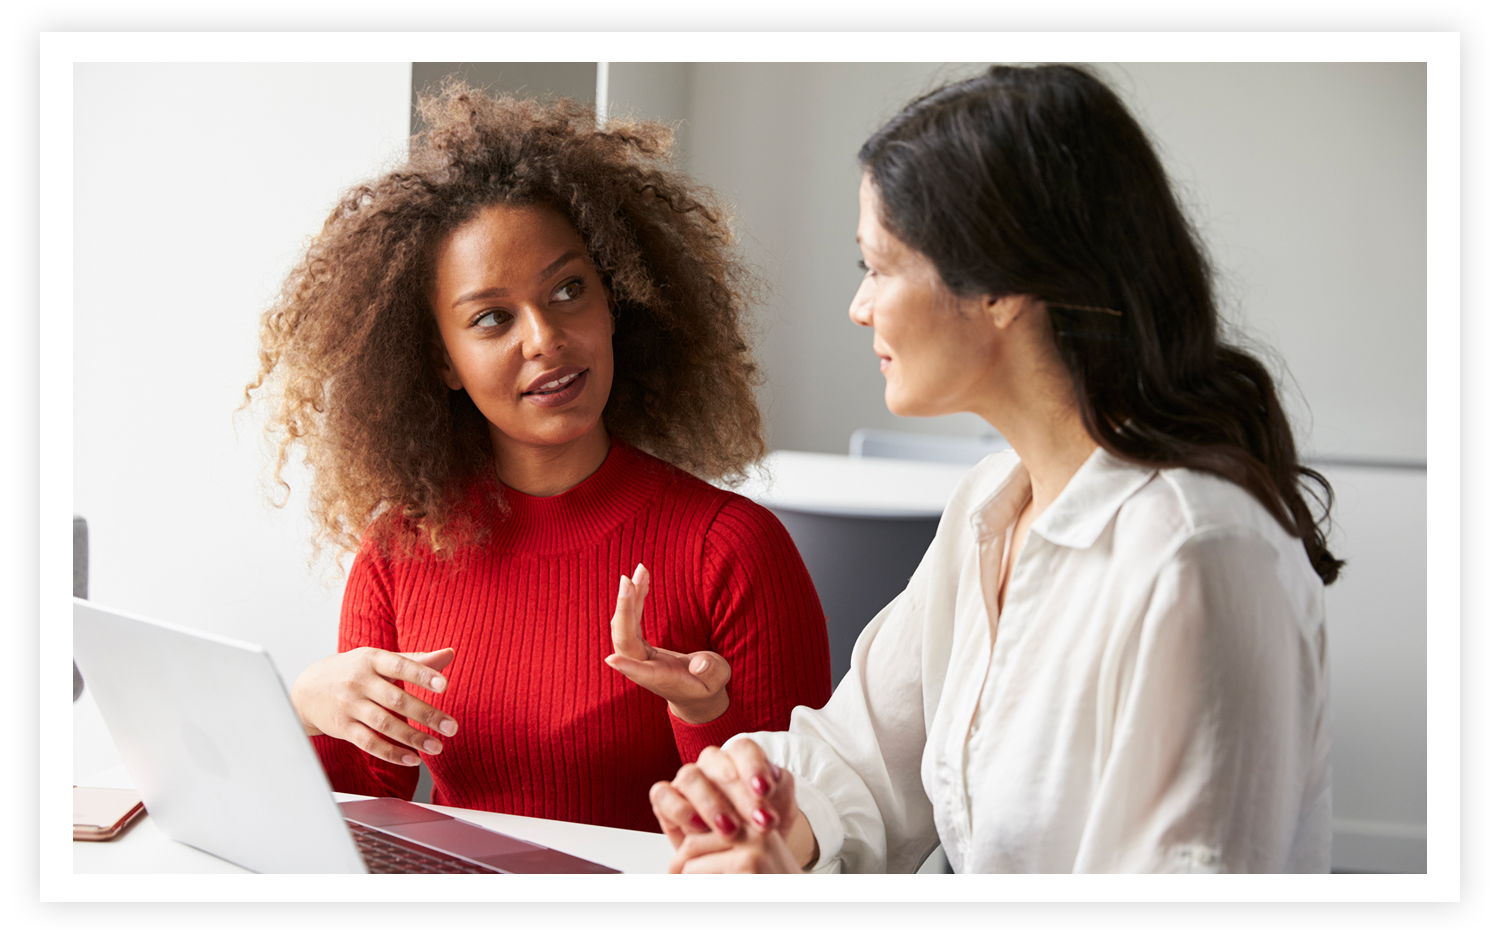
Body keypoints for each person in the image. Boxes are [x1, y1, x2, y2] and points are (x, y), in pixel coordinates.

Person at [649, 64, 1341, 872]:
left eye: (878, 266)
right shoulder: (991, 506)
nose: (860, 305)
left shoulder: (1197, 557)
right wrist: (763, 814)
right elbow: (863, 762)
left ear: (1002, 288)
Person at [244, 82, 831, 833]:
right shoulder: (397, 553)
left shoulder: (733, 550)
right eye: (492, 317)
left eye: (568, 290)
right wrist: (304, 711)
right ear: (443, 360)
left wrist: (702, 712)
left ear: (613, 302)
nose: (544, 338)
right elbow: (356, 821)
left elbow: (787, 842)